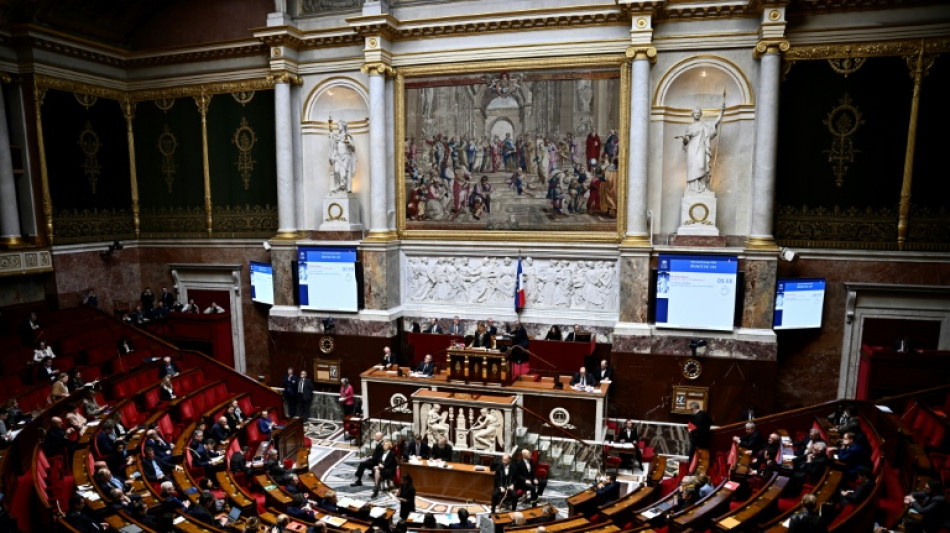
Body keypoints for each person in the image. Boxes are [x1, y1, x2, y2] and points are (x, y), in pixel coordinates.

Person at [680, 99, 725, 194]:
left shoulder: (704, 125)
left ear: (700, 114)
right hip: (692, 149)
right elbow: (686, 141)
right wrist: (684, 140)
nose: (697, 114)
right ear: (693, 114)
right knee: (693, 168)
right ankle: (693, 188)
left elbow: (716, 122)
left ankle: (702, 187)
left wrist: (722, 111)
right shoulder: (689, 127)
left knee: (701, 165)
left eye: (698, 113)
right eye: (695, 113)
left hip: (701, 148)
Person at [329, 119, 356, 193]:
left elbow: (353, 148)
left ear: (343, 126)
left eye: (339, 125)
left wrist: (348, 143)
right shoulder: (337, 137)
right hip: (338, 157)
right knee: (336, 171)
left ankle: (343, 187)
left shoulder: (347, 136)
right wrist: (333, 155)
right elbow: (334, 147)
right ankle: (338, 186)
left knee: (343, 173)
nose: (338, 127)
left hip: (346, 157)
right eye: (338, 125)